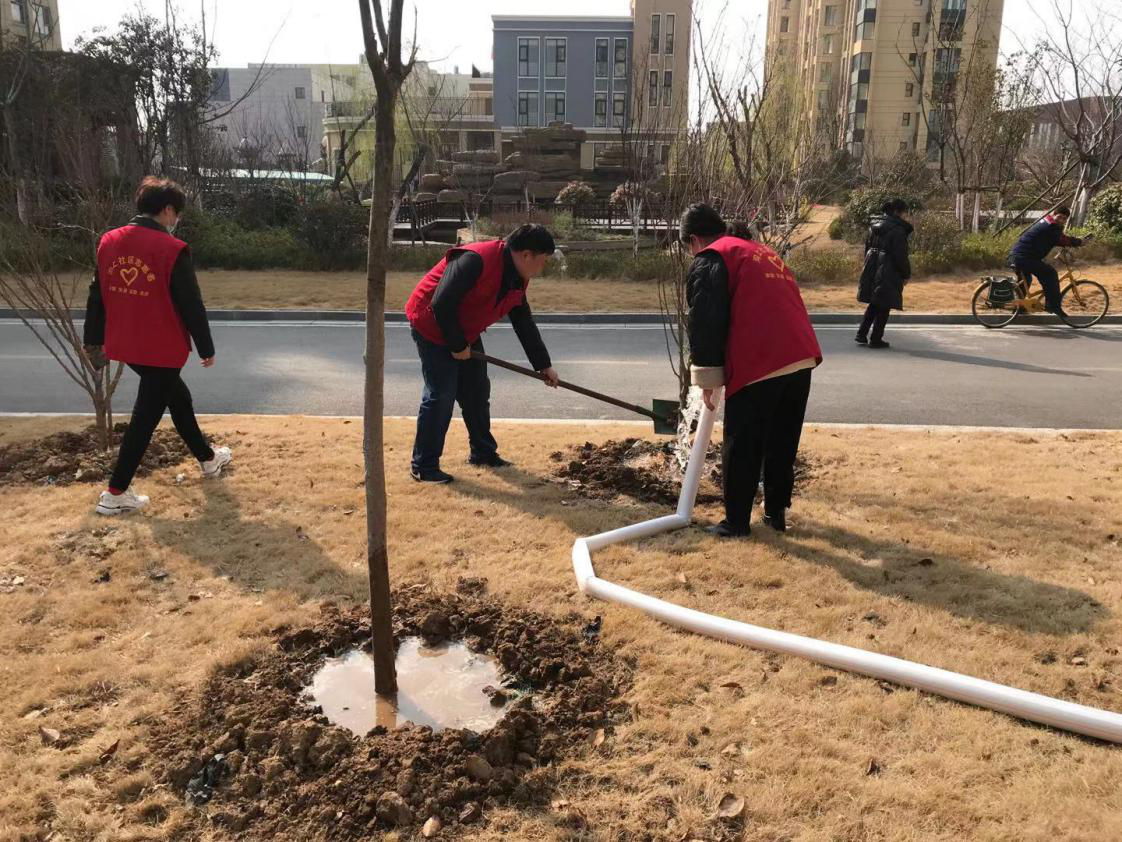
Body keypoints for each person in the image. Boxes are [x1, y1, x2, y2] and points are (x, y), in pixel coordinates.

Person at [83, 177, 231, 516]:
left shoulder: (109, 241)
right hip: (161, 347)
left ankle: (208, 460)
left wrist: (93, 341)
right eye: (176, 213)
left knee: (178, 398)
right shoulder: (171, 249)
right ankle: (116, 492)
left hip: (125, 343)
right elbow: (191, 303)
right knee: (145, 416)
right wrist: (206, 347)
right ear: (166, 210)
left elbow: (96, 295)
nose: (176, 220)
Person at [683, 203, 823, 538]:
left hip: (761, 359)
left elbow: (705, 321)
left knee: (743, 441)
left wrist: (707, 377)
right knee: (781, 440)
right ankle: (775, 514)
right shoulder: (761, 252)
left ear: (693, 240)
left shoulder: (713, 257)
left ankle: (735, 522)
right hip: (801, 355)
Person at [405, 224, 561, 484]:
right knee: (441, 394)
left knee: (477, 391)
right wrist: (456, 346)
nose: (541, 268)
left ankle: (483, 453)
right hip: (431, 324)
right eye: (542, 261)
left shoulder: (517, 277)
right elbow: (441, 303)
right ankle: (424, 466)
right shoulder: (475, 260)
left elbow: (523, 321)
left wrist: (543, 365)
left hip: (464, 330)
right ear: (526, 255)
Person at [856, 198, 913, 349]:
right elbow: (900, 255)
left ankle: (861, 334)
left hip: (872, 266)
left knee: (874, 302)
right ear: (897, 212)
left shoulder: (873, 226)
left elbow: (867, 248)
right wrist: (906, 274)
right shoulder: (898, 230)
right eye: (903, 212)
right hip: (889, 269)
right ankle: (876, 339)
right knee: (884, 304)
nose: (904, 216)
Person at [1007, 205, 1084, 317]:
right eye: (1060, 217)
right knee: (1050, 273)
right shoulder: (1050, 226)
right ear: (1054, 214)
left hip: (1017, 256)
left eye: (1064, 219)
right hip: (1024, 258)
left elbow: (1058, 238)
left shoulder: (1047, 223)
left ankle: (1018, 307)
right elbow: (1061, 239)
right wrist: (1079, 242)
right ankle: (1053, 306)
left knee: (1026, 279)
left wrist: (1072, 242)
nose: (1061, 220)